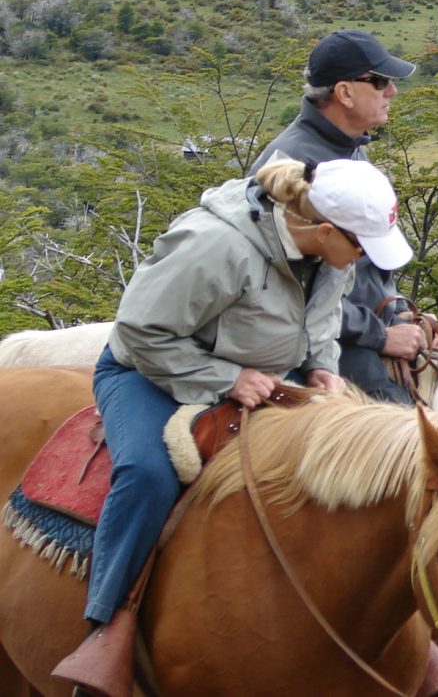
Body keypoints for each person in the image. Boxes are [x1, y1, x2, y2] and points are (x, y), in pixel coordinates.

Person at [53, 157, 414, 697]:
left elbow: (322, 320)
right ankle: (108, 625)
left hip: (268, 373)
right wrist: (226, 379)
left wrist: (321, 369)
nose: (365, 257)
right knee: (147, 472)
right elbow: (140, 331)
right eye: (362, 245)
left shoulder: (331, 253)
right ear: (322, 229)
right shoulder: (215, 245)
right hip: (151, 371)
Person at [252, 28, 430, 404]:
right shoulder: (290, 165)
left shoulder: (347, 148)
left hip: (367, 325)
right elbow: (284, 290)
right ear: (344, 93)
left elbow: (368, 267)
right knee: (403, 435)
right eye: (380, 82)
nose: (391, 92)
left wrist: (400, 314)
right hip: (329, 342)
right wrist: (381, 335)